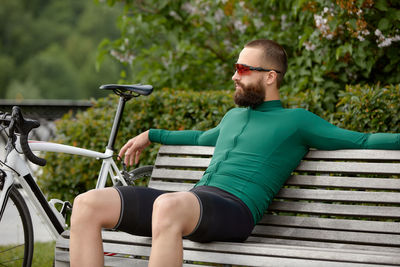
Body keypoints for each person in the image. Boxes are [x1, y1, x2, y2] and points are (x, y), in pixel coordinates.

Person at [69, 39, 400, 267]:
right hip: (196, 203)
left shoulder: (296, 121)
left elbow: (363, 141)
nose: (234, 76)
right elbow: (201, 136)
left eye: (243, 70)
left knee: (168, 205)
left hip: (235, 211)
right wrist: (150, 134)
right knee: (88, 203)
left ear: (270, 77)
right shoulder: (233, 116)